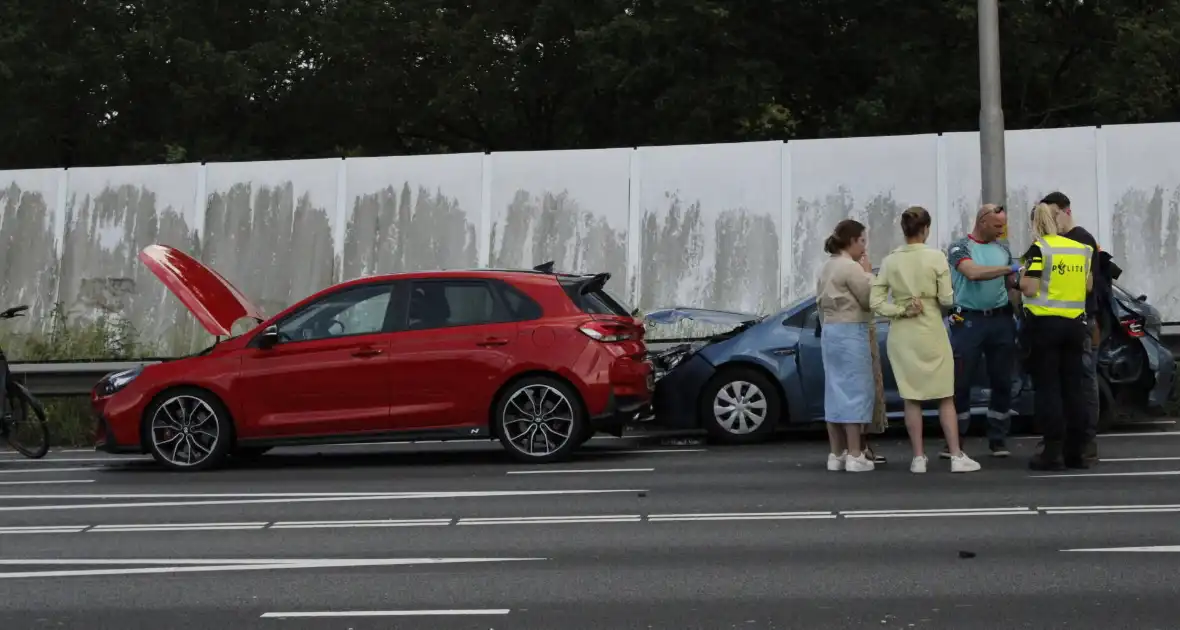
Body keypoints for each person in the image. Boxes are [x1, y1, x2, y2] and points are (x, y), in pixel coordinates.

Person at [871, 206, 982, 474]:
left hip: (903, 334)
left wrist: (900, 309)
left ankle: (918, 458)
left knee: (911, 397)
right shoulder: (936, 257)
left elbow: (875, 302)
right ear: (926, 229)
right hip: (931, 330)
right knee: (945, 396)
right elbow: (946, 299)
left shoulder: (890, 261)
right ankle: (956, 455)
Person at [1015, 202, 1095, 470]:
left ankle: (1051, 452)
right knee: (1074, 388)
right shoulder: (1081, 250)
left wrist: (1016, 279)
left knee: (1049, 388)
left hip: (1045, 326)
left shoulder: (1040, 249)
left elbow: (1030, 287)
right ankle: (1077, 452)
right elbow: (1088, 285)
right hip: (1075, 326)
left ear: (1035, 224)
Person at [944, 204, 1023, 459]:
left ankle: (998, 438)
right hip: (968, 321)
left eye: (1004, 226)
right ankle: (957, 440)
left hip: (1000, 320)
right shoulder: (960, 247)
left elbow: (1012, 283)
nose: (1001, 231)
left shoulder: (1002, 248)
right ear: (982, 222)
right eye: (997, 226)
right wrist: (1009, 269)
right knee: (961, 382)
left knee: (1002, 380)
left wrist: (1026, 276)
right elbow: (972, 273)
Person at [1039, 191, 1102, 465]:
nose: (1052, 220)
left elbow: (1088, 285)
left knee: (1083, 383)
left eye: (1054, 214)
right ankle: (1069, 441)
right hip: (1070, 322)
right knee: (1071, 383)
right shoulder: (1066, 242)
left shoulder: (1080, 240)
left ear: (1066, 211)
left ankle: (1085, 440)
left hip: (1077, 321)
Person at [816, 219, 879, 473]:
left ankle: (836, 453)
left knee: (834, 390)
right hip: (851, 330)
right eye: (862, 241)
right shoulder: (850, 267)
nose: (864, 247)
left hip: (830, 331)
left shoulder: (825, 267)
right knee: (856, 389)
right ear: (852, 241)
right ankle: (855, 455)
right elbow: (869, 299)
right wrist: (868, 273)